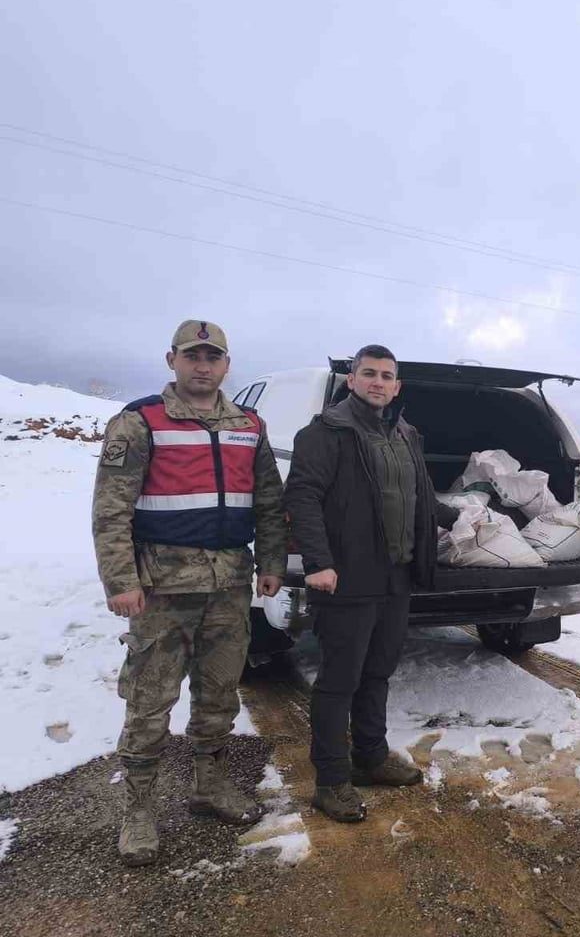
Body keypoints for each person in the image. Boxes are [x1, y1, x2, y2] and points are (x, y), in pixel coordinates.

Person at [92, 320, 288, 866]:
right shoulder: (140, 421)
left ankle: (209, 786)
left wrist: (272, 562)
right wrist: (121, 582)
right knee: (149, 702)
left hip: (228, 588)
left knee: (219, 695)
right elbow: (110, 510)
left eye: (213, 357)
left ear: (226, 365)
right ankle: (139, 811)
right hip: (162, 591)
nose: (203, 366)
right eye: (192, 356)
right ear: (172, 360)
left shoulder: (249, 425)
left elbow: (269, 502)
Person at [284, 344, 457, 822]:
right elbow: (302, 497)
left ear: (396, 387)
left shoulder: (405, 434)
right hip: (347, 576)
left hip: (396, 576)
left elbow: (421, 495)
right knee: (340, 680)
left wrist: (463, 518)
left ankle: (371, 756)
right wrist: (318, 562)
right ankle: (330, 780)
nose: (378, 382)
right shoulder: (325, 432)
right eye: (369, 373)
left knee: (378, 672)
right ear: (352, 380)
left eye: (386, 376)